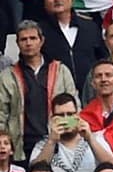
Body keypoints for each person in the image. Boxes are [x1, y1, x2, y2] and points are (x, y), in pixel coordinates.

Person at [0, 21, 78, 163]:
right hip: (22, 146)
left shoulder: (60, 71)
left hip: (58, 142)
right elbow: (2, 115)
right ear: (17, 43)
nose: (28, 43)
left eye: (33, 38)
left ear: (41, 41)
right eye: (24, 39)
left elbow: (74, 106)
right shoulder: (7, 76)